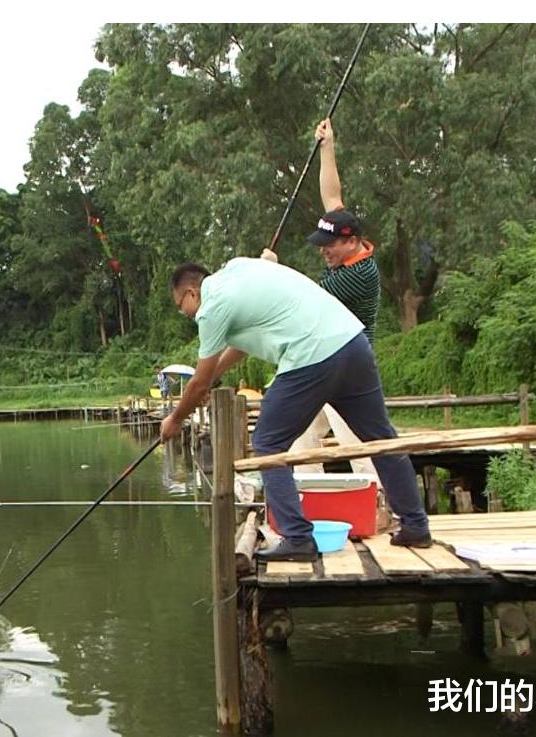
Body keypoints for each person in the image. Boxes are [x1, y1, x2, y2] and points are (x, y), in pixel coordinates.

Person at [159, 258, 431, 561]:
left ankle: (298, 538)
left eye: (180, 304)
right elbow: (237, 349)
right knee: (381, 439)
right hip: (352, 344)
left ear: (191, 292)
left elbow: (196, 384)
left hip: (312, 355)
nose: (184, 313)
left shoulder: (212, 308)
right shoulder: (239, 269)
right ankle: (416, 526)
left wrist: (174, 419)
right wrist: (211, 380)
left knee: (268, 443)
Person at [262, 118, 379, 476]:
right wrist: (328, 148)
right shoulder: (347, 244)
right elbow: (333, 197)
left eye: (328, 246)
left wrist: (272, 271)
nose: (322, 252)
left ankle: (379, 505)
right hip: (319, 360)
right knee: (300, 442)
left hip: (347, 369)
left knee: (359, 447)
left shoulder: (359, 275)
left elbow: (304, 300)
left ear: (350, 241)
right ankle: (304, 500)